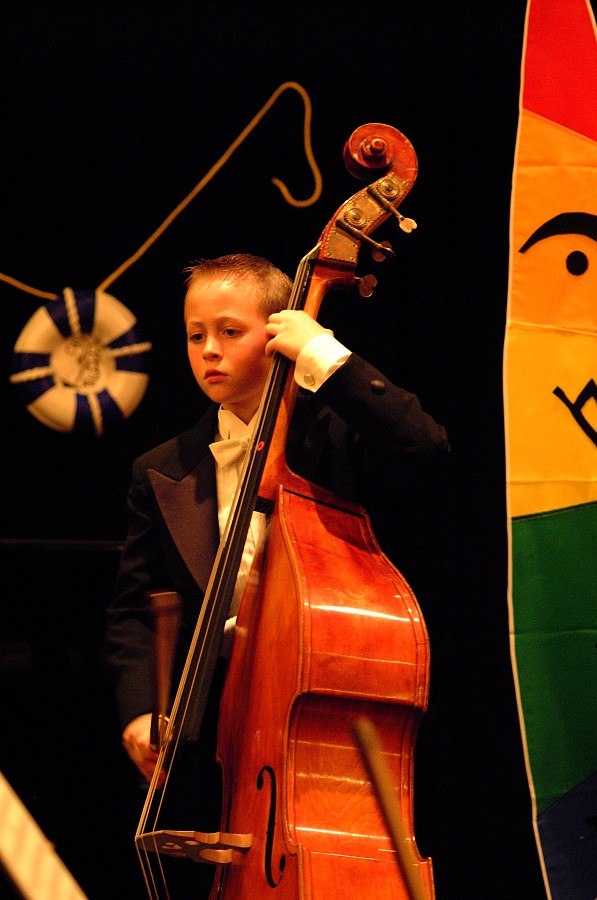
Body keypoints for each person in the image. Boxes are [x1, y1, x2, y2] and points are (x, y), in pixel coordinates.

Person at [105, 252, 449, 896]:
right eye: (195, 334)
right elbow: (131, 608)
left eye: (230, 332)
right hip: (220, 744)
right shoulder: (161, 467)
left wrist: (326, 356)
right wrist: (138, 710)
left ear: (276, 331)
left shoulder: (337, 435)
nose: (209, 350)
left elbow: (426, 447)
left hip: (329, 728)